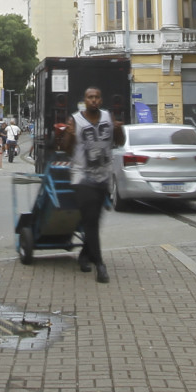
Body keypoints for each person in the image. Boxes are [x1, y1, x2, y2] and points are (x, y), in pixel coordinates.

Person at [61, 86, 123, 283]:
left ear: (101, 100)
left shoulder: (108, 117)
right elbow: (66, 149)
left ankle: (84, 255)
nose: (94, 100)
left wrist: (118, 129)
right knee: (91, 220)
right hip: (82, 178)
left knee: (94, 221)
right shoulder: (75, 120)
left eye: (97, 97)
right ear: (85, 100)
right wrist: (69, 134)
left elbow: (119, 142)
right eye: (90, 97)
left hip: (104, 177)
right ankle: (100, 265)